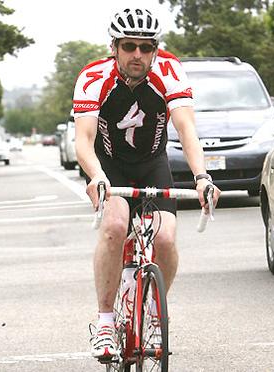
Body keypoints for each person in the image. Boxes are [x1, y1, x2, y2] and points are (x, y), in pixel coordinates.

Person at [73, 8, 221, 361]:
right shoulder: (94, 77)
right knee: (114, 225)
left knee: (166, 238)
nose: (137, 55)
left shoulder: (170, 72)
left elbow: (186, 130)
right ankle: (106, 321)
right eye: (129, 46)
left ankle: (154, 309)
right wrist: (97, 177)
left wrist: (202, 177)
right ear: (114, 47)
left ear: (155, 49)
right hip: (108, 165)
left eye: (146, 47)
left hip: (153, 162)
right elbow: (83, 139)